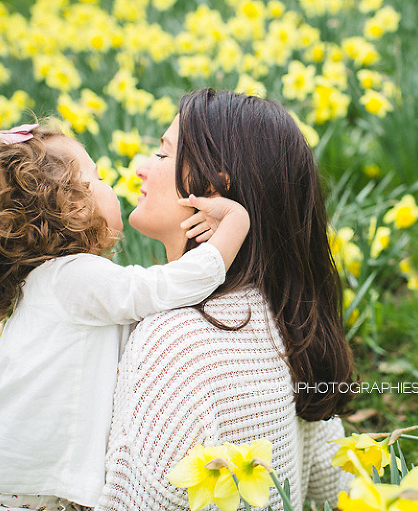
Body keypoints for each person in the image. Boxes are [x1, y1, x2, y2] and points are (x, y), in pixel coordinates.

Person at [0, 122, 250, 511]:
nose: (115, 187)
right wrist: (236, 224)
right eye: (99, 178)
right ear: (75, 204)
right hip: (19, 492)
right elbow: (167, 286)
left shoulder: (53, 278)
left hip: (1, 474)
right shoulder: (73, 276)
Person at [97, 89, 355, 511]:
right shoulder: (288, 322)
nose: (142, 169)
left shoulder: (174, 341)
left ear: (214, 191)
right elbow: (338, 485)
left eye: (162, 156)